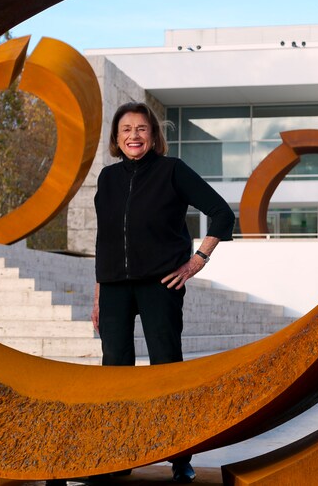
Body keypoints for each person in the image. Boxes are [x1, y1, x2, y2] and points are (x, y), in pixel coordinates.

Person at [92, 101, 235, 483]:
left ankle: (179, 456)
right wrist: (98, 295)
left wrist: (197, 260)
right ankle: (116, 456)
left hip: (161, 285)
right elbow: (105, 239)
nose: (134, 136)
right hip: (114, 287)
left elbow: (222, 213)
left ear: (153, 135)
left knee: (167, 368)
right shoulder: (107, 178)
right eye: (126, 129)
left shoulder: (172, 170)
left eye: (141, 128)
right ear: (116, 137)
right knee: (114, 373)